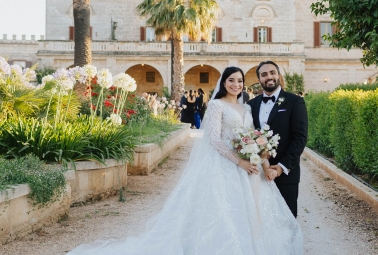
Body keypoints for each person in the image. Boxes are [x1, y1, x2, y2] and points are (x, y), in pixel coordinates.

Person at [67, 67, 303, 255]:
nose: (236, 84)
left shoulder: (246, 108)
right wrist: (239, 162)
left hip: (248, 169)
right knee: (222, 210)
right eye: (231, 80)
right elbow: (214, 140)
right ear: (223, 83)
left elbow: (257, 138)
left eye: (240, 80)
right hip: (225, 166)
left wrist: (263, 165)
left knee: (252, 210)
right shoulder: (217, 105)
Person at [248, 61, 308, 218]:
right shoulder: (251, 105)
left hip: (286, 175)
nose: (269, 77)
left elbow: (300, 138)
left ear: (278, 75)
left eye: (272, 72)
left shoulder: (295, 101)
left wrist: (281, 167)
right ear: (259, 80)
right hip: (257, 175)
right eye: (264, 74)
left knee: (287, 221)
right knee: (260, 221)